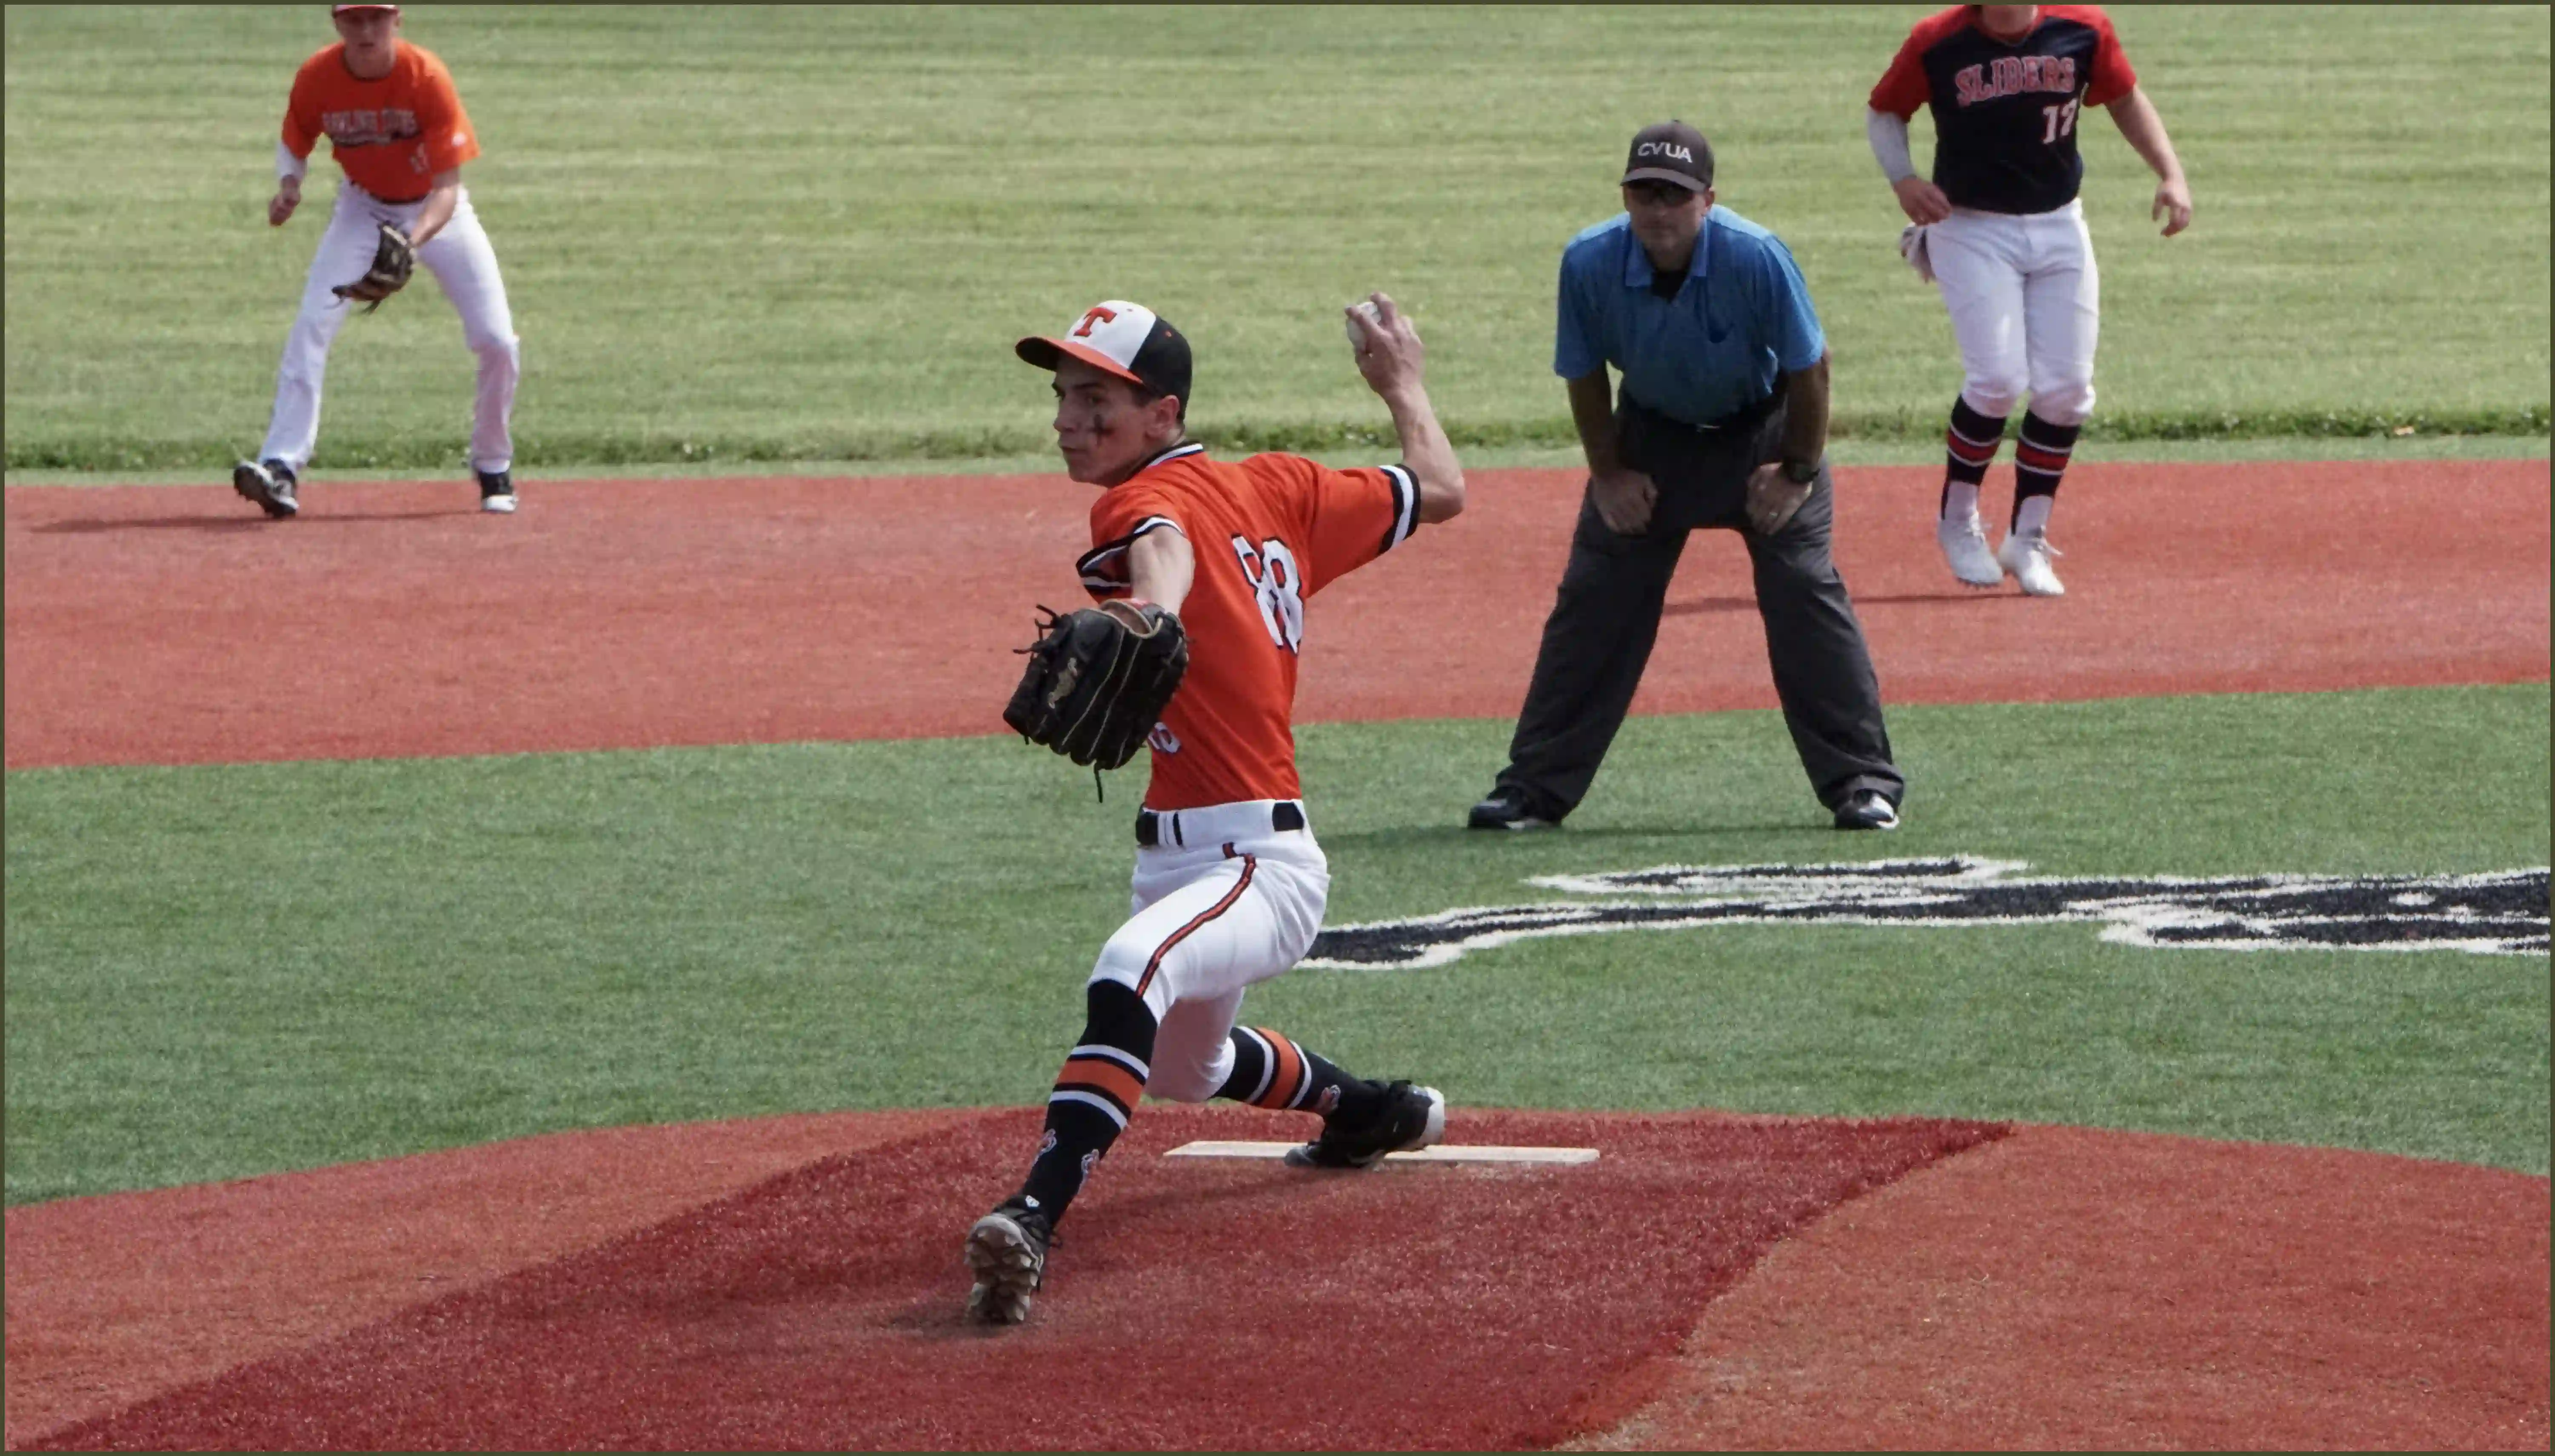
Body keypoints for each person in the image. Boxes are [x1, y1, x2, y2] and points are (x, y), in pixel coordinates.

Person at [965, 294, 1467, 1326]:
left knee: (1127, 970)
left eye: (1094, 397)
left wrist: (1148, 609)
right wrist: (1402, 389)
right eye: (1062, 395)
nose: (1067, 417)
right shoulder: (1275, 487)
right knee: (1189, 1062)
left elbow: (1160, 545)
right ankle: (1366, 1109)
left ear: (1162, 412)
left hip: (1256, 861)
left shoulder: (1133, 505)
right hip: (1189, 858)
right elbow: (1439, 488)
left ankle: (1031, 1212)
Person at [1468, 122, 1904, 835]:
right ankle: (1533, 790)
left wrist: (1797, 471)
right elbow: (1582, 375)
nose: (1658, 211)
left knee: (1802, 588)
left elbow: (1811, 368)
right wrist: (1608, 474)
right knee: (1594, 599)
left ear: (1708, 199)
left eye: (1674, 195)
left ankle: (1863, 783)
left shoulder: (1756, 256)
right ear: (1626, 197)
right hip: (1652, 437)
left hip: (1765, 434)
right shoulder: (1588, 262)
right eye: (1644, 193)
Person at [1867, 4, 2192, 596]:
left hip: (2059, 223)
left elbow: (2124, 97)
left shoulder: (2083, 29)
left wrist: (2170, 173)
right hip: (1969, 226)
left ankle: (2028, 536)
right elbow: (1885, 111)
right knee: (1995, 378)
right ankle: (1957, 520)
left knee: (2068, 390)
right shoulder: (1938, 41)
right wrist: (1904, 179)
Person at [232, 3, 521, 520]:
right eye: (354, 19)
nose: (366, 30)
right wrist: (289, 185)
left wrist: (410, 243)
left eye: (377, 18)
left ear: (397, 20)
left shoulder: (425, 77)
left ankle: (493, 464)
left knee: (497, 340)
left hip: (437, 213)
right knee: (312, 326)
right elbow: (296, 136)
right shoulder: (318, 76)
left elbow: (447, 188)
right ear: (337, 24)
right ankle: (280, 466)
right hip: (362, 208)